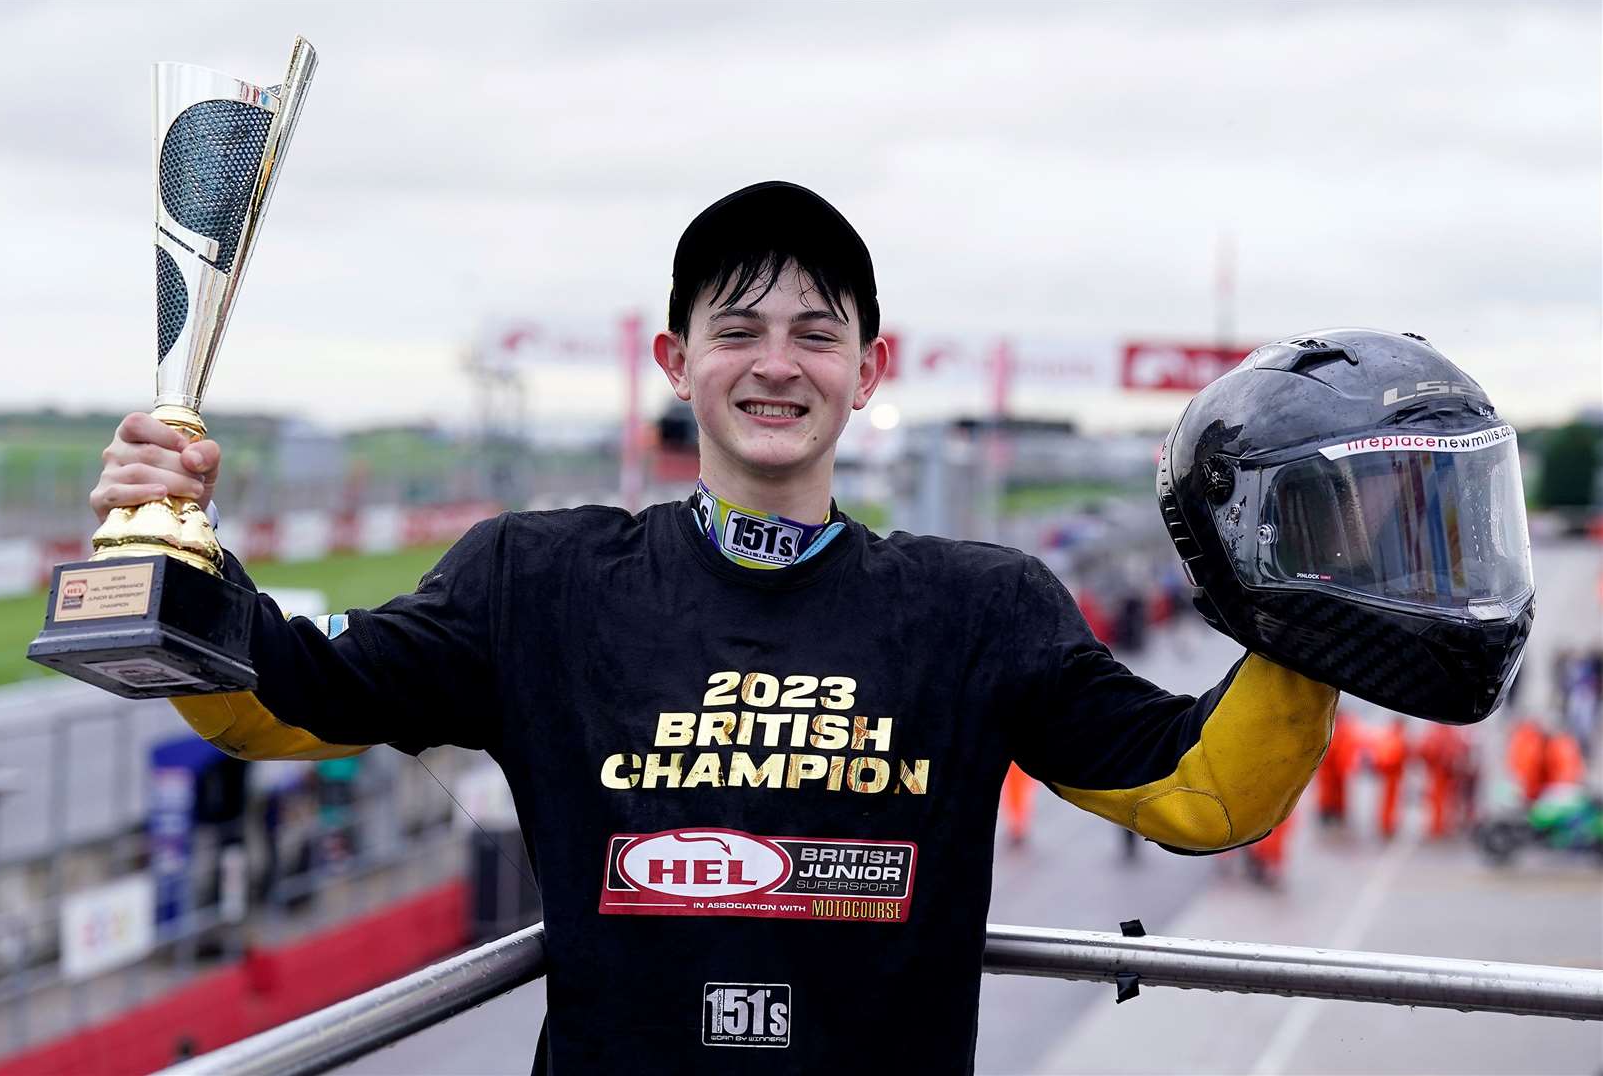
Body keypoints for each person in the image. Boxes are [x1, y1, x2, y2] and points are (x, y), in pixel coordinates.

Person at [91, 182, 1337, 1074]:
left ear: (871, 366)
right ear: (674, 361)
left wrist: (1309, 607)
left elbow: (1203, 792)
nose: (774, 364)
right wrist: (175, 547)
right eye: (736, 332)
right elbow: (284, 702)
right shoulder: (542, 580)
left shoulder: (976, 603)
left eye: (815, 333)